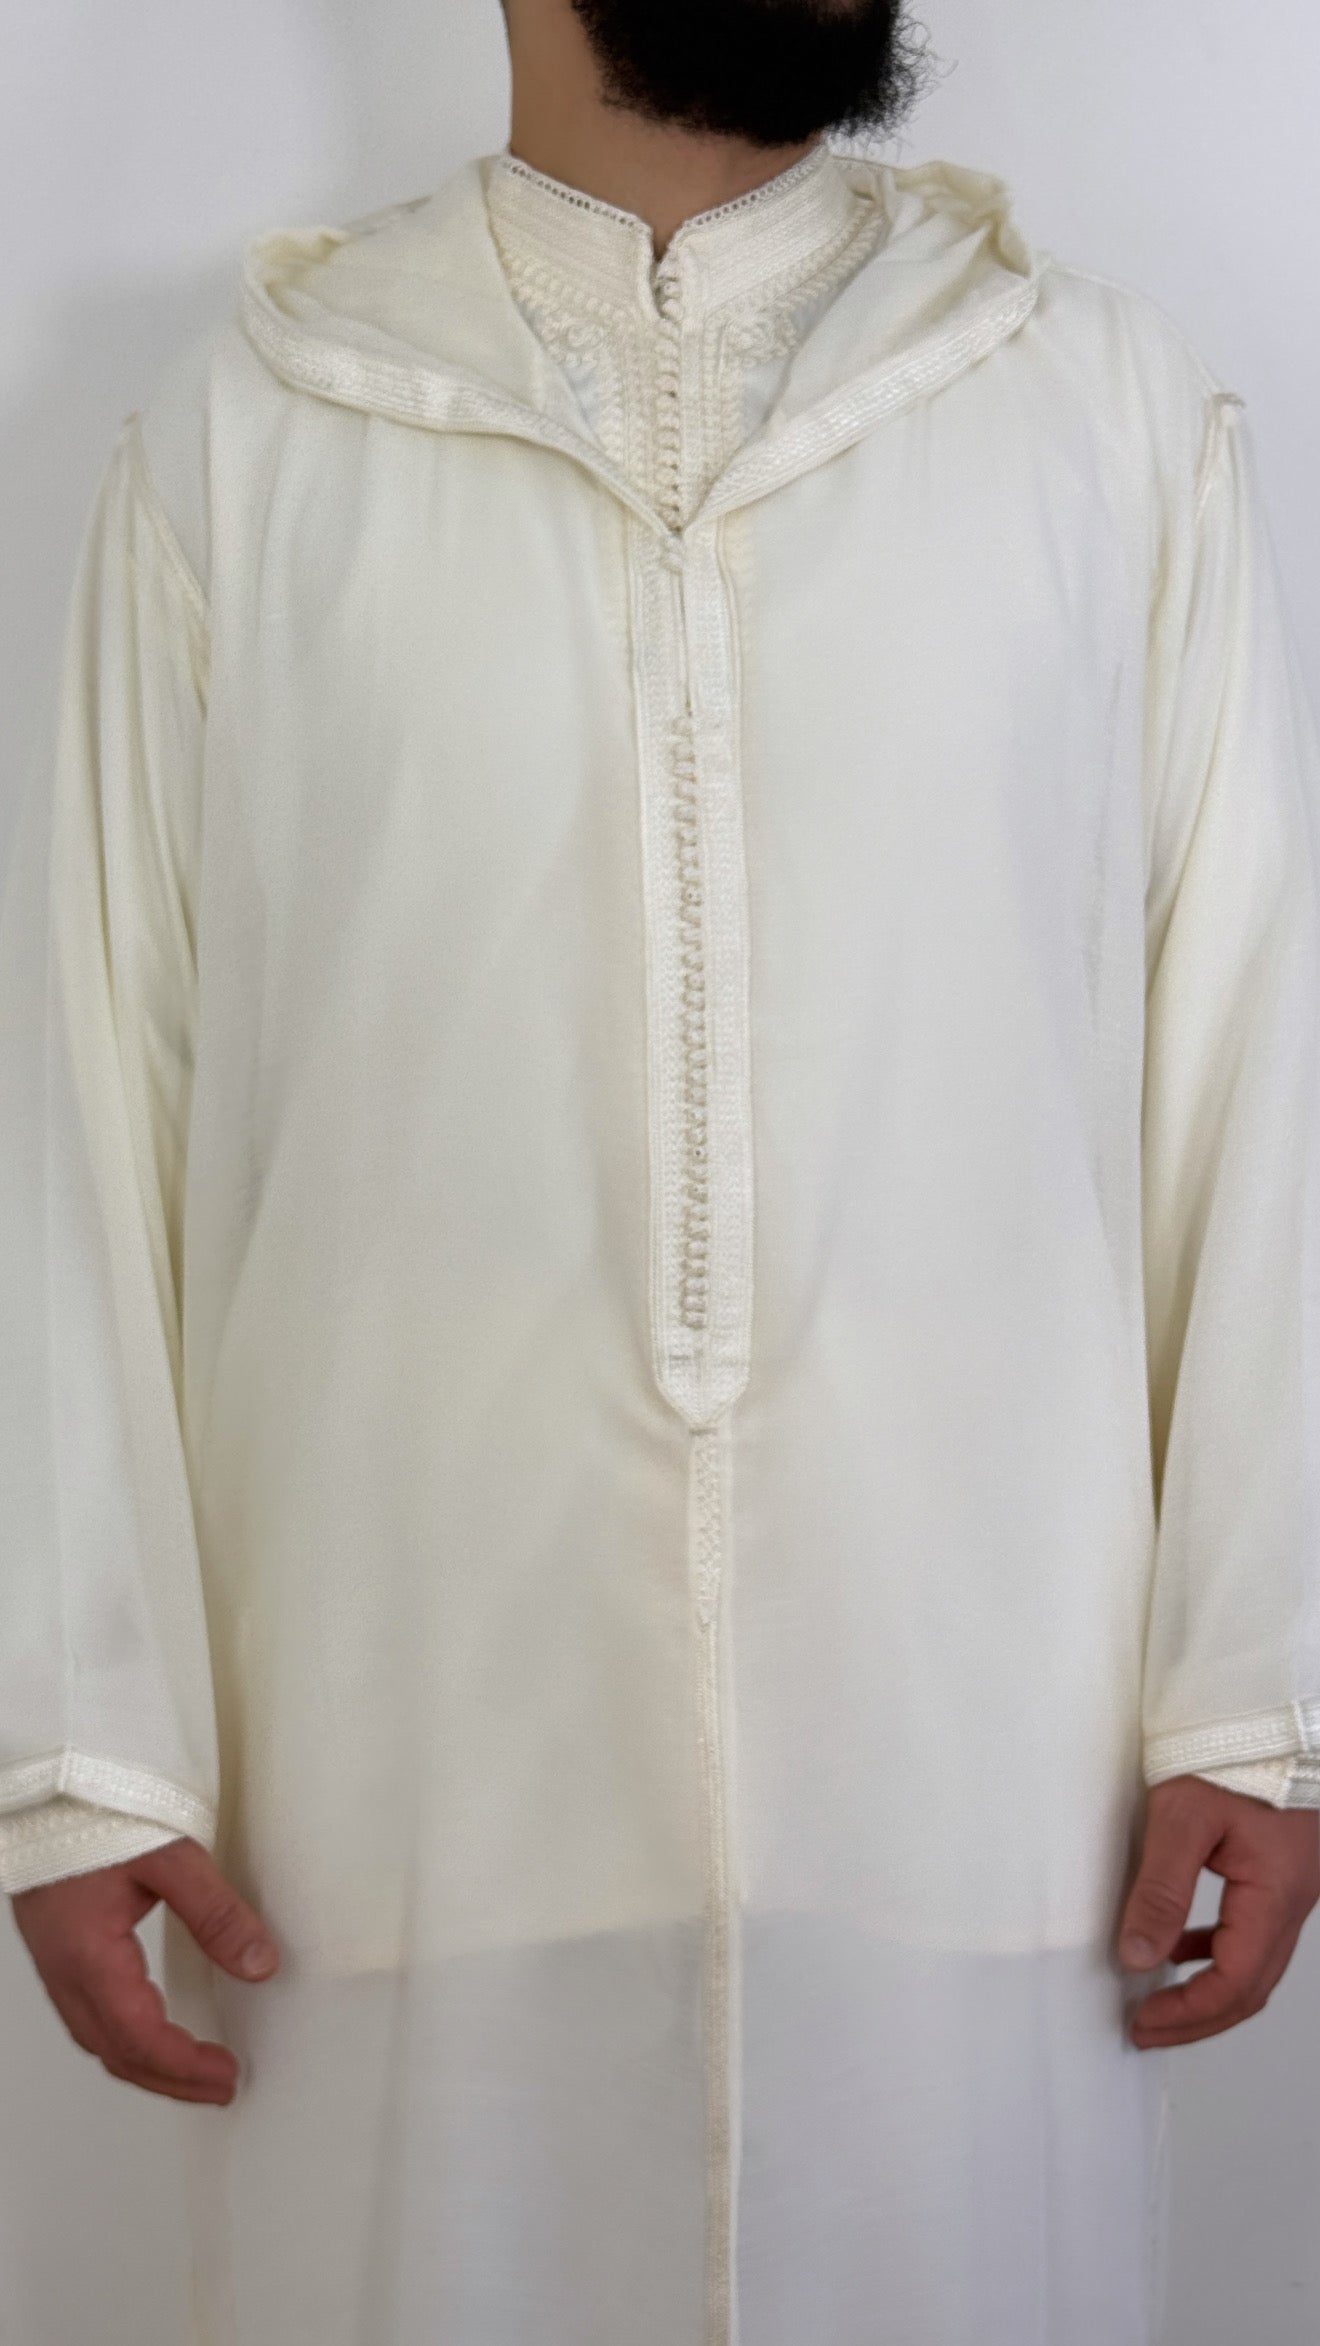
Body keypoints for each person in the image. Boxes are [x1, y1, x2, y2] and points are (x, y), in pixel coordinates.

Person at [3, 1, 1319, 2339]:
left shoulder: (1100, 416)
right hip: (397, 1797)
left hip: (981, 1793)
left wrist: (1254, 1679)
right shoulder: (249, 436)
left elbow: (1251, 1062)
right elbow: (91, 1095)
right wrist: (82, 1743)